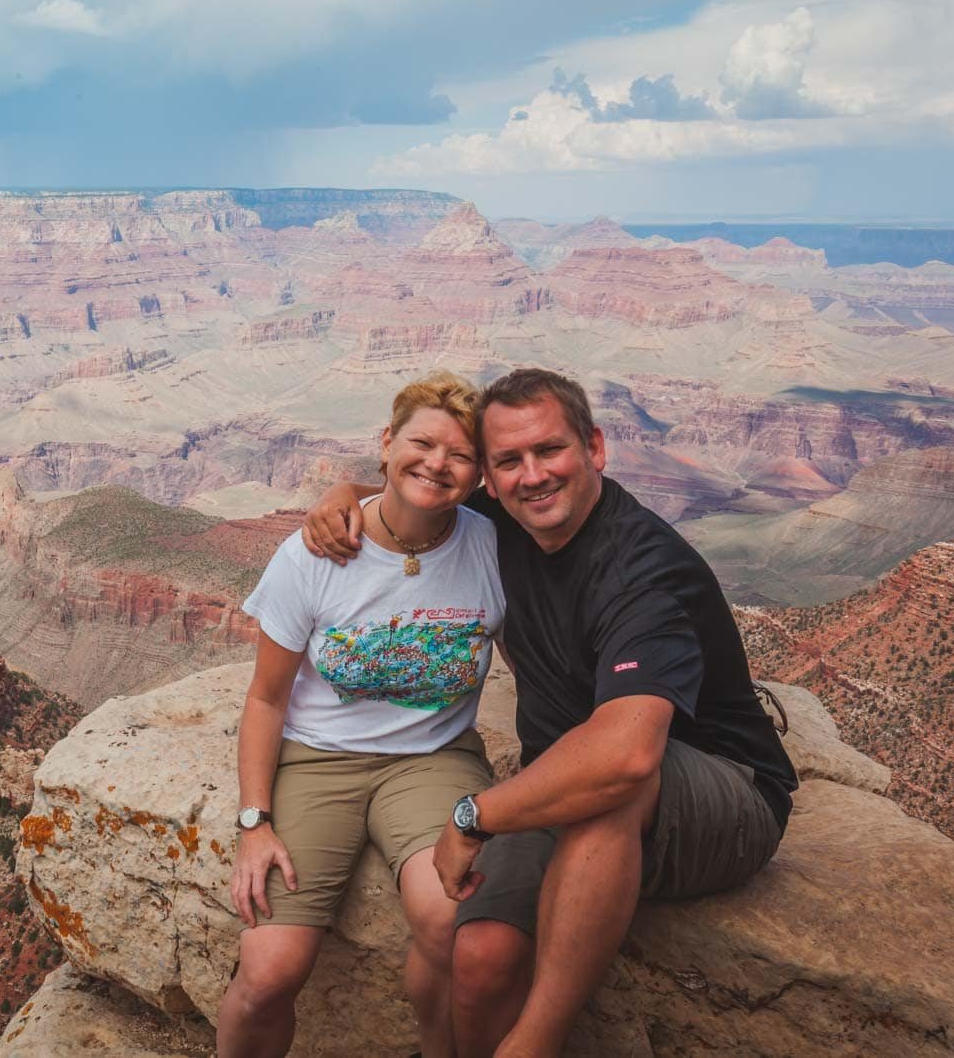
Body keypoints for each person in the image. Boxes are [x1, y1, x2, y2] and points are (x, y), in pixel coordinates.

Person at [304, 368, 798, 1058]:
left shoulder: (643, 569)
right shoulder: (503, 522)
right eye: (508, 460)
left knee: (612, 785)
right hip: (562, 779)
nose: (532, 475)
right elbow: (417, 492)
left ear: (594, 447)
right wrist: (340, 496)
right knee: (480, 954)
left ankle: (534, 1043)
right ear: (489, 476)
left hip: (727, 790)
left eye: (550, 450)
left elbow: (625, 757)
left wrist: (474, 815)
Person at [219, 371, 508, 1058]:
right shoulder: (316, 552)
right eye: (421, 443)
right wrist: (254, 822)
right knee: (268, 972)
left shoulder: (495, 544)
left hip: (434, 759)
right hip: (317, 759)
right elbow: (265, 698)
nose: (436, 463)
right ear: (386, 443)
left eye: (460, 455)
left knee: (452, 923)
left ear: (479, 475)